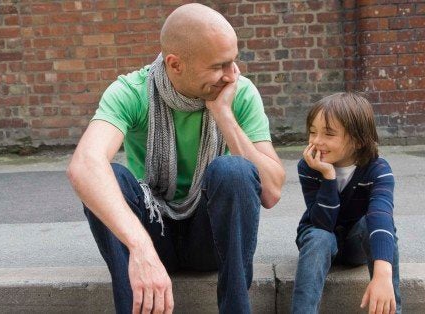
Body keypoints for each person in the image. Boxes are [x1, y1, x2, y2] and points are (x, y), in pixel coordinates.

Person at [67, 3, 285, 313]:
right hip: (153, 230)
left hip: (209, 238)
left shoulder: (240, 93)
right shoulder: (132, 91)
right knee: (110, 177)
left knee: (234, 171)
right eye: (218, 66)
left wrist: (223, 114)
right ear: (175, 64)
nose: (230, 76)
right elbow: (84, 165)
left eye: (233, 62)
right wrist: (141, 249)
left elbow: (272, 191)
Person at [291, 92, 402, 314]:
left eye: (328, 133)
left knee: (375, 223)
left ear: (359, 139)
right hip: (319, 242)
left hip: (357, 246)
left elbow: (381, 217)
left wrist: (382, 276)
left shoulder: (378, 170)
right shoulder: (309, 167)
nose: (316, 141)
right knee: (319, 236)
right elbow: (322, 224)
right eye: (313, 132)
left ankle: (393, 309)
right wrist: (328, 177)